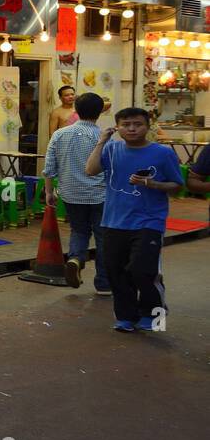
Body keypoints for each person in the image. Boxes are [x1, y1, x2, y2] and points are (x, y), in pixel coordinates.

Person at [84, 107, 182, 332]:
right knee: (116, 272)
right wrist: (101, 141)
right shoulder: (111, 149)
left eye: (137, 124)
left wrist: (152, 184)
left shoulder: (163, 153)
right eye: (125, 125)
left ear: (148, 126)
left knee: (142, 270)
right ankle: (127, 316)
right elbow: (90, 170)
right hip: (114, 221)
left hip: (149, 221)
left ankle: (155, 314)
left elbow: (177, 186)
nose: (131, 129)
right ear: (117, 127)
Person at [42, 92, 109, 293]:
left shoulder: (59, 134)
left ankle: (75, 258)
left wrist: (49, 192)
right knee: (102, 236)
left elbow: (49, 167)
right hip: (100, 195)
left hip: (70, 193)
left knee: (79, 230)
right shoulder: (103, 137)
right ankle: (103, 283)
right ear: (100, 113)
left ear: (76, 110)